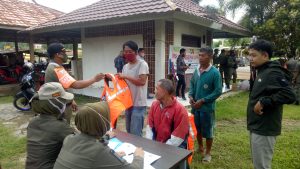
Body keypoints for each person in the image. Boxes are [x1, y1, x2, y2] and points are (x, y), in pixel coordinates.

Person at [247, 40, 296, 169]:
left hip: (265, 128)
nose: (250, 58)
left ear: (265, 55)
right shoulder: (262, 70)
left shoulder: (272, 71)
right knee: (259, 164)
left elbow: (289, 94)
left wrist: (264, 101)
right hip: (257, 125)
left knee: (262, 166)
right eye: (249, 55)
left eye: (253, 55)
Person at [54, 102, 144, 169]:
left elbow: (87, 150)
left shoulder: (69, 139)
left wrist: (110, 157)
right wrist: (138, 157)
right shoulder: (100, 151)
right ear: (103, 124)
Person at [45, 43, 105, 123]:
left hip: (56, 104)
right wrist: (94, 79)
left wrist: (71, 100)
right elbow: (75, 85)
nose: (66, 54)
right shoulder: (56, 69)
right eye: (64, 52)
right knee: (62, 129)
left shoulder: (54, 67)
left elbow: (61, 87)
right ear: (58, 54)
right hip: (59, 107)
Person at [26, 82, 75, 169]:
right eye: (64, 102)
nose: (65, 105)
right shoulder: (60, 126)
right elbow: (83, 142)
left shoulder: (33, 121)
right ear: (56, 103)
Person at [188, 47, 222, 163]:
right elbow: (192, 84)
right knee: (197, 129)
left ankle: (208, 153)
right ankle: (200, 147)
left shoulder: (214, 73)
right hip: (195, 107)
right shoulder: (196, 70)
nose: (200, 58)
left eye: (203, 56)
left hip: (207, 108)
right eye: (200, 55)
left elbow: (217, 91)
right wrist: (191, 96)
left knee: (208, 131)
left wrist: (203, 100)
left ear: (210, 57)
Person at [146, 79, 189, 148]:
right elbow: (149, 127)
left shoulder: (180, 110)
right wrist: (150, 145)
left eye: (157, 89)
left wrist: (163, 148)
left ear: (165, 91)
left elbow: (178, 136)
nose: (154, 91)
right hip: (157, 145)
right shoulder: (154, 105)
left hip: (174, 147)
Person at [118, 41, 149, 136]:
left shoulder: (142, 64)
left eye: (130, 51)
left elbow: (142, 82)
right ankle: (131, 150)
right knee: (128, 131)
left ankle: (138, 150)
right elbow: (124, 84)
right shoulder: (125, 67)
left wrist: (125, 77)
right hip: (128, 103)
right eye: (125, 51)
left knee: (135, 133)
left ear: (136, 52)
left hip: (138, 104)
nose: (127, 54)